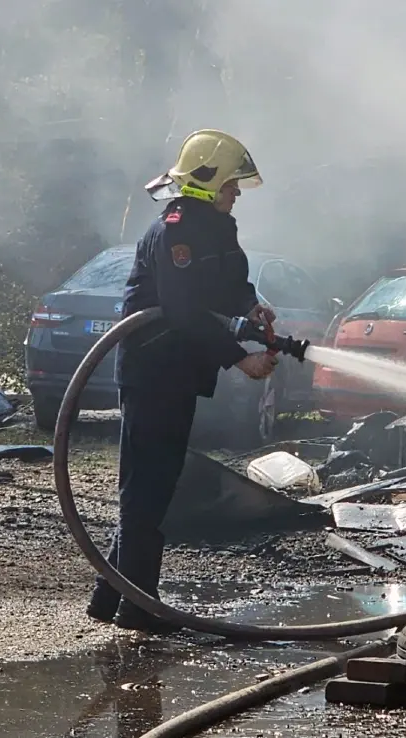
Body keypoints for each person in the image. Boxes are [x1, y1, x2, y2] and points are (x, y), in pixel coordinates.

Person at [86, 129, 278, 632]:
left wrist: (251, 306)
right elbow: (185, 311)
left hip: (179, 372)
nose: (236, 194)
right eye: (232, 185)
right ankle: (140, 604)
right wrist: (241, 359)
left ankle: (111, 596)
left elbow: (229, 284)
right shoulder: (175, 230)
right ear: (207, 182)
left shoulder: (217, 227)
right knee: (145, 485)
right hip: (153, 370)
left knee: (154, 483)